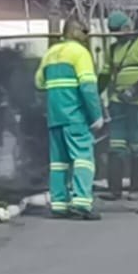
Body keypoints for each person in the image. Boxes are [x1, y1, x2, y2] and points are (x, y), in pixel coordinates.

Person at [35, 18, 104, 220]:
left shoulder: (51, 53)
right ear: (76, 32)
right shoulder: (80, 53)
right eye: (84, 32)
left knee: (58, 163)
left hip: (55, 117)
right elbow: (88, 87)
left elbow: (39, 82)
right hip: (75, 117)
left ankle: (59, 205)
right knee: (83, 159)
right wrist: (96, 115)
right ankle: (81, 203)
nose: (86, 36)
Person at [104, 10, 138, 198]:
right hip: (117, 102)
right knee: (115, 146)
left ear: (127, 27)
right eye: (113, 32)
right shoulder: (113, 49)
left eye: (118, 31)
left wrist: (133, 90)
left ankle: (137, 189)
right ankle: (114, 190)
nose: (116, 35)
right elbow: (105, 75)